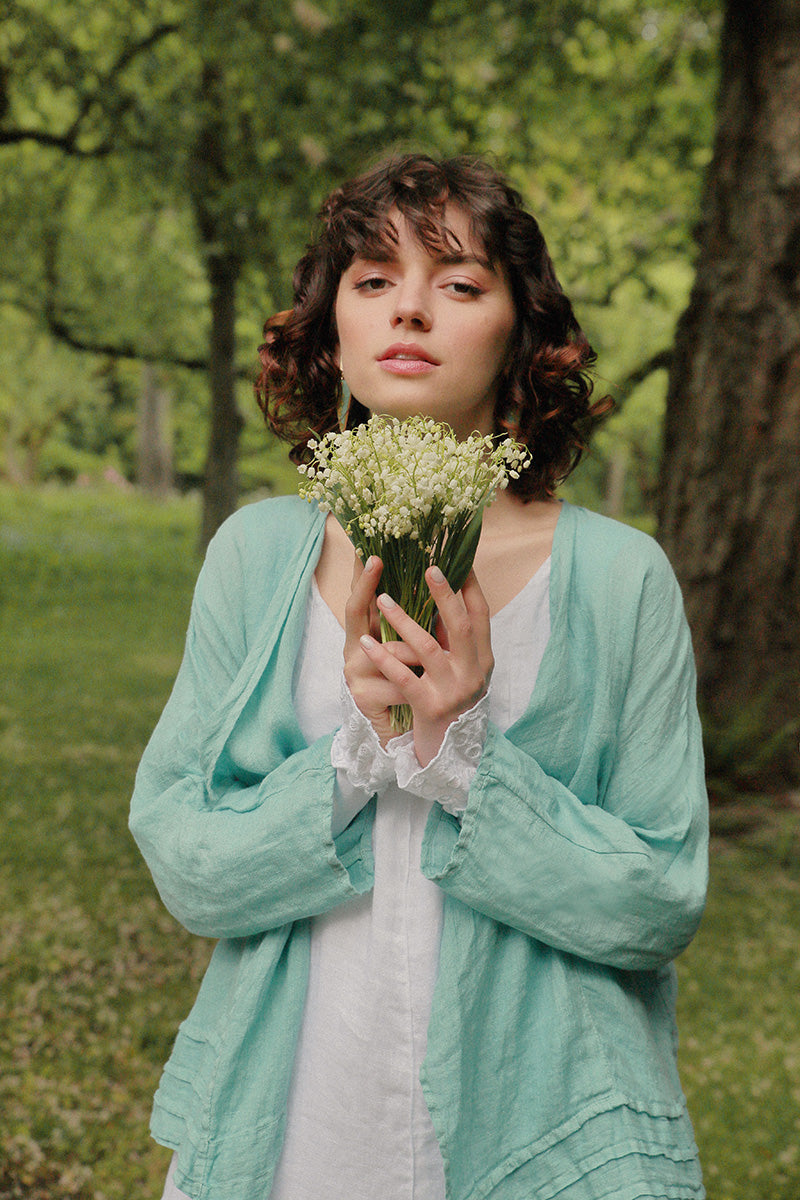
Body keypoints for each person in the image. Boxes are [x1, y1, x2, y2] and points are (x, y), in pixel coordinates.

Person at [130, 154, 708, 1200]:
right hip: (293, 1120)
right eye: (370, 279)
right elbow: (189, 864)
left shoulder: (621, 579)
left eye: (457, 282)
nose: (409, 309)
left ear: (518, 331)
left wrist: (460, 758)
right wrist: (358, 750)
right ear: (330, 326)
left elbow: (659, 900)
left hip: (545, 1125)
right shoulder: (257, 555)